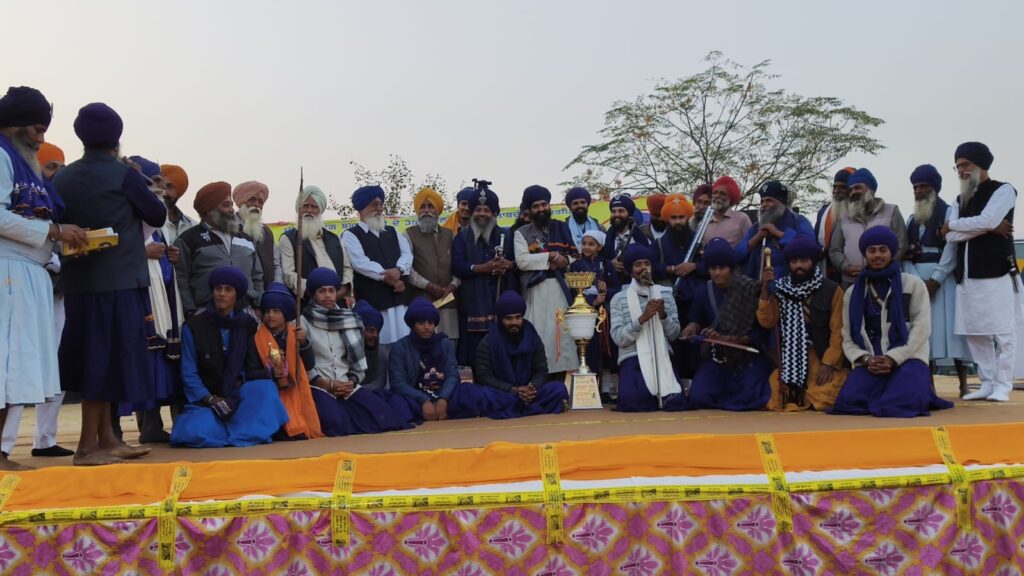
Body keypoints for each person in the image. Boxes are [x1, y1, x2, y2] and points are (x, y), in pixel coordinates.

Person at [56, 102, 167, 465]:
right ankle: (87, 446)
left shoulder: (64, 176)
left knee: (96, 359)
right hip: (119, 281)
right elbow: (156, 213)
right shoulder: (123, 174)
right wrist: (136, 177)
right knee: (108, 361)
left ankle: (107, 439)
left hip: (79, 282)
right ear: (117, 139)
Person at [0, 86, 86, 470]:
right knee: (6, 366)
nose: (41, 138)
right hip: (8, 272)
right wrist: (53, 232)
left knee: (17, 368)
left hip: (31, 273)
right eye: (37, 128)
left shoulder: (22, 162)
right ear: (14, 123)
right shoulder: (1, 156)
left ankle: (1, 452)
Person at [830, 227, 954, 417]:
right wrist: (866, 359)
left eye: (882, 250)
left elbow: (921, 330)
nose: (877, 255)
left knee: (901, 402)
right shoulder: (852, 293)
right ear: (865, 254)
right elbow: (848, 336)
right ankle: (882, 392)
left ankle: (897, 392)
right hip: (872, 361)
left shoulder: (913, 284)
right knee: (848, 401)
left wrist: (893, 358)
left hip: (909, 359)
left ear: (891, 252)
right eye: (872, 250)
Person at [169, 267, 289, 447]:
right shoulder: (193, 326)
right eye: (218, 289)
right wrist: (211, 399)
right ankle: (237, 432)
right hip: (206, 399)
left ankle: (236, 431)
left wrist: (272, 373)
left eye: (228, 289)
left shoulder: (247, 325)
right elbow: (189, 374)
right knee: (192, 431)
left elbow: (250, 368)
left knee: (265, 389)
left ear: (237, 295)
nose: (222, 294)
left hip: (237, 394)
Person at [945, 142, 1023, 402]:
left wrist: (959, 225)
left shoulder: (1004, 191)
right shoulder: (960, 199)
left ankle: (1003, 385)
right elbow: (951, 237)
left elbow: (980, 221)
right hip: (967, 275)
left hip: (996, 271)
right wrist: (987, 227)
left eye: (965, 164)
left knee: (1002, 332)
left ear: (981, 164)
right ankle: (987, 383)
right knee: (975, 331)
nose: (961, 170)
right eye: (957, 166)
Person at [300, 267, 411, 435]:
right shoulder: (302, 324)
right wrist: (328, 384)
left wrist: (351, 382)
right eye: (321, 291)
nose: (328, 296)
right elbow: (301, 366)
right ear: (312, 294)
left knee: (386, 417)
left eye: (331, 290)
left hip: (348, 386)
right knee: (335, 423)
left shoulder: (350, 319)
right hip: (319, 386)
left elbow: (358, 365)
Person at [122, 155, 182, 444]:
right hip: (142, 295)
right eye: (155, 181)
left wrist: (171, 255)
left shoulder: (160, 217)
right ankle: (148, 425)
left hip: (165, 295)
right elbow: (112, 245)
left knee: (162, 360)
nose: (161, 187)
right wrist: (142, 252)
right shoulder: (127, 210)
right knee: (146, 359)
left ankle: (156, 425)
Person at [902, 164, 971, 396]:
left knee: (951, 332)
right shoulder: (911, 219)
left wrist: (936, 279)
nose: (918, 191)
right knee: (924, 333)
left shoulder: (950, 212)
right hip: (917, 280)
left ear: (935, 188)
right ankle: (928, 385)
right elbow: (906, 252)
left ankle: (964, 383)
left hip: (943, 281)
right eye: (915, 187)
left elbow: (951, 250)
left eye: (923, 186)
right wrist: (915, 280)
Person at [758, 235, 848, 411]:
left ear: (813, 262)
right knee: (776, 398)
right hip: (791, 358)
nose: (798, 266)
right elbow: (767, 322)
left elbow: (839, 331)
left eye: (804, 260)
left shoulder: (832, 290)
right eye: (794, 261)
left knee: (823, 396)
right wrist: (765, 291)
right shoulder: (779, 288)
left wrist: (829, 364)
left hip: (821, 356)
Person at [683, 238, 773, 411]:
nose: (717, 273)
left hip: (747, 356)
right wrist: (691, 328)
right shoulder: (703, 291)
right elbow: (696, 320)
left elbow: (762, 329)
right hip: (717, 356)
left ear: (731, 269)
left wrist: (736, 339)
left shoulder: (749, 288)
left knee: (752, 396)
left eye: (721, 268)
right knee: (699, 397)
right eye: (713, 268)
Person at [610, 245, 688, 411]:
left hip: (662, 355)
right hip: (632, 357)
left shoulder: (665, 294)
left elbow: (674, 334)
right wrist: (641, 319)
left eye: (647, 263)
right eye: (638, 264)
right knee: (635, 402)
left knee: (675, 402)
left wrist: (663, 316)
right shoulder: (619, 298)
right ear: (631, 270)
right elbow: (618, 338)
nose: (643, 268)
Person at [514, 184, 579, 375]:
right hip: (535, 291)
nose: (541, 209)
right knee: (539, 334)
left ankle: (558, 387)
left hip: (560, 289)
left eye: (544, 204)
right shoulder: (522, 233)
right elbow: (522, 261)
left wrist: (564, 260)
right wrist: (550, 257)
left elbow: (575, 256)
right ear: (529, 210)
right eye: (536, 206)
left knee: (561, 336)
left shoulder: (561, 227)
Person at [474, 291, 569, 418]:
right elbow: (484, 376)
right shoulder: (488, 341)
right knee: (481, 394)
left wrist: (532, 388)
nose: (514, 322)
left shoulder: (533, 337)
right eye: (509, 318)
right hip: (504, 393)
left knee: (558, 388)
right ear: (501, 318)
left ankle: (522, 406)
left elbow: (541, 370)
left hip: (530, 394)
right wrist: (513, 390)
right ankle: (530, 408)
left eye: (518, 317)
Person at [174, 181, 264, 316]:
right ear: (209, 210)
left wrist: (258, 306)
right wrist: (191, 312)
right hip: (205, 314)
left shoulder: (245, 238)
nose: (232, 210)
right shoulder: (189, 239)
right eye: (226, 205)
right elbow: (181, 279)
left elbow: (257, 275)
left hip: (245, 313)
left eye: (231, 204)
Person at [390, 297, 483, 421]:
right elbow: (398, 383)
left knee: (468, 390)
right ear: (412, 325)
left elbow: (452, 376)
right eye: (421, 323)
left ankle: (443, 412)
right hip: (416, 397)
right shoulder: (400, 347)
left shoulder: (444, 344)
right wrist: (424, 400)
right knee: (396, 401)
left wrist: (443, 399)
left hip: (445, 396)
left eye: (430, 322)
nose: (427, 327)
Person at [341, 185, 413, 347]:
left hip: (400, 301)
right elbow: (361, 263)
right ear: (361, 207)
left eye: (381, 204)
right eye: (374, 204)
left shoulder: (392, 231)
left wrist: (399, 270)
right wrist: (390, 278)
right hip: (374, 303)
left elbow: (407, 255)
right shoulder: (350, 235)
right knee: (381, 349)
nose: (379, 209)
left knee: (404, 346)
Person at [453, 186, 515, 367]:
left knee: (503, 355)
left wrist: (507, 265)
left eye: (486, 210)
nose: (482, 214)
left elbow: (518, 263)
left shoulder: (507, 235)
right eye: (478, 210)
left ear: (495, 213)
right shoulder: (462, 237)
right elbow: (457, 266)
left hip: (501, 299)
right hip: (472, 305)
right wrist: (482, 268)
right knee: (476, 358)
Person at [255, 282, 323, 440]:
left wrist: (304, 343)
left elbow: (310, 365)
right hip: (270, 390)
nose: (270, 315)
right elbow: (251, 369)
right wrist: (270, 373)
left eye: (276, 311)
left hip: (295, 388)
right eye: (267, 311)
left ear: (285, 313)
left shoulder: (296, 333)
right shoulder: (257, 338)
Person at [829, 168, 908, 286]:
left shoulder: (891, 211)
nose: (853, 193)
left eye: (857, 188)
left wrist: (884, 267)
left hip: (885, 280)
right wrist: (846, 267)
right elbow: (835, 249)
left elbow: (902, 244)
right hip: (851, 282)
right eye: (850, 190)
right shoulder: (844, 217)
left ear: (870, 189)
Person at [405, 187, 459, 346]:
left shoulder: (451, 235)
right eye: (422, 206)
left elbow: (459, 265)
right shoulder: (408, 234)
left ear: (438, 210)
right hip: (422, 302)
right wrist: (428, 286)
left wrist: (453, 284)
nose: (426, 211)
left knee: (449, 347)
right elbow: (407, 269)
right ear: (416, 210)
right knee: (423, 348)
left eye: (431, 207)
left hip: (449, 303)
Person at [280, 185, 352, 301]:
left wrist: (342, 290)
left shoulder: (334, 238)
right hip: (309, 303)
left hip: (338, 301)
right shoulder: (289, 238)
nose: (309, 210)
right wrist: (316, 292)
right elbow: (288, 274)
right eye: (305, 206)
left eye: (314, 207)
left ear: (320, 210)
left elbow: (347, 267)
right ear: (299, 209)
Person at [569, 230, 620, 384]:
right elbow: (574, 292)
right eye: (584, 243)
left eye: (591, 244)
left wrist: (605, 291)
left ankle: (607, 389)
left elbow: (617, 289)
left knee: (606, 350)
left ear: (599, 247)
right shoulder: (576, 265)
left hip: (604, 315)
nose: (586, 247)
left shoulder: (606, 264)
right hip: (585, 315)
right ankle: (589, 385)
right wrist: (593, 301)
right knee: (588, 350)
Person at [737, 181, 816, 280]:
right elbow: (738, 254)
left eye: (769, 200)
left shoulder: (799, 221)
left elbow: (809, 246)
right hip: (759, 286)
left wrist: (777, 233)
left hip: (791, 284)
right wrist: (757, 237)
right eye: (762, 201)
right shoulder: (755, 228)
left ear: (781, 202)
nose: (764, 204)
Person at [234, 180, 282, 285]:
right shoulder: (229, 228)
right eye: (252, 200)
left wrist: (277, 286)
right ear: (240, 202)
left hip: (267, 293)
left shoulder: (267, 232)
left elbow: (276, 264)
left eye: (260, 201)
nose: (256, 205)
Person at [815, 168, 856, 282]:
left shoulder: (859, 212)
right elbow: (815, 240)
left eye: (842, 187)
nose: (837, 191)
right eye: (834, 187)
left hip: (851, 271)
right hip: (825, 270)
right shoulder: (823, 212)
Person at [602, 194, 651, 280]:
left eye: (621, 211)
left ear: (629, 214)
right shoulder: (606, 237)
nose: (616, 214)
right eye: (614, 211)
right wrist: (610, 263)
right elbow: (600, 260)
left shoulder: (641, 237)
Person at [702, 176, 753, 247]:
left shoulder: (742, 219)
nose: (717, 196)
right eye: (715, 193)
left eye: (722, 193)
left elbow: (750, 245)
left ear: (731, 198)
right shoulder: (704, 222)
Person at [353, 300, 388, 390]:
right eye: (370, 330)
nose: (375, 335)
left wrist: (359, 391)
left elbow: (379, 382)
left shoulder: (381, 352)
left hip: (372, 392)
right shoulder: (346, 349)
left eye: (378, 331)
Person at [159, 164, 194, 245]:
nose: (164, 192)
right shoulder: (147, 222)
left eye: (169, 186)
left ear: (179, 191)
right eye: (160, 185)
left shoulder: (191, 225)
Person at [564, 186, 604, 253]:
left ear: (587, 204)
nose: (580, 205)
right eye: (575, 203)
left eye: (583, 202)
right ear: (570, 206)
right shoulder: (564, 227)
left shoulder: (599, 227)